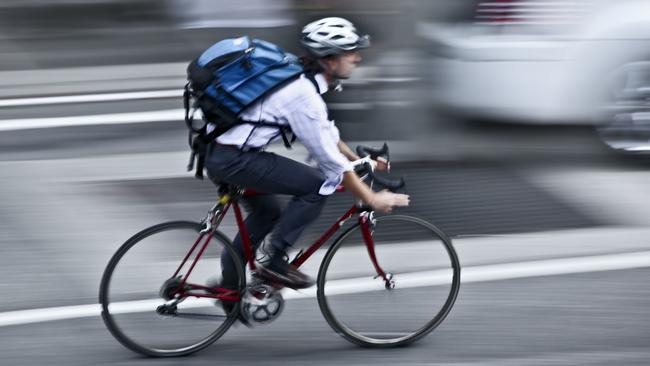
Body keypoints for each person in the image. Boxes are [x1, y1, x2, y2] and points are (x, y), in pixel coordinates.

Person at [205, 17, 410, 291]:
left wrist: (356, 160)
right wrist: (371, 197)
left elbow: (325, 132)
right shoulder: (303, 96)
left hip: (223, 153)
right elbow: (329, 164)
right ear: (328, 59)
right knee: (316, 185)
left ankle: (229, 289)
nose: (358, 58)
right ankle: (274, 261)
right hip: (235, 160)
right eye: (351, 52)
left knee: (268, 212)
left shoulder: (301, 79)